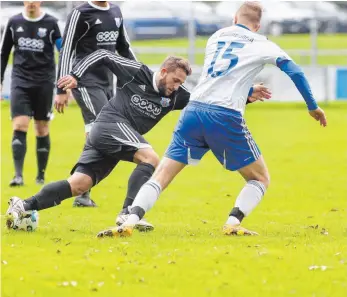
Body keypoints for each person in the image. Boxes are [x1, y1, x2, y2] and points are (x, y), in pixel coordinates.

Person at [101, 1, 328, 238]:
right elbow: (296, 72)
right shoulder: (263, 44)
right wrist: (313, 107)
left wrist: (247, 90)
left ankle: (129, 220)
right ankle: (232, 223)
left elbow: (221, 74)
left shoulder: (217, 37)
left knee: (162, 175)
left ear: (234, 19)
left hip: (194, 111)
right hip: (224, 115)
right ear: (258, 26)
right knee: (260, 178)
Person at [5, 50, 270, 232]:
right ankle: (127, 214)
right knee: (151, 158)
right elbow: (104, 55)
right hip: (107, 125)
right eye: (175, 80)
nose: (177, 86)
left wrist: (247, 93)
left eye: (181, 82)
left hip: (118, 139)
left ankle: (24, 205)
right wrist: (76, 75)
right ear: (164, 71)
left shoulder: (176, 96)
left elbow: (207, 98)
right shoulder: (137, 72)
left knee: (79, 185)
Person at [54, 0, 137, 207]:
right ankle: (81, 191)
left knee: (96, 132)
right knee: (101, 129)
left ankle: (82, 191)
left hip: (108, 82)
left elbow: (124, 48)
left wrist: (142, 75)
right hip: (83, 81)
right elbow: (67, 50)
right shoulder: (80, 13)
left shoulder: (116, 12)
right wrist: (61, 88)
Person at [0, 1, 62, 187]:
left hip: (44, 82)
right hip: (20, 81)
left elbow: (63, 51)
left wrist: (62, 86)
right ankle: (18, 176)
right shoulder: (14, 22)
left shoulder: (51, 23)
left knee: (41, 128)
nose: (32, 2)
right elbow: (3, 53)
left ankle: (40, 176)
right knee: (20, 124)